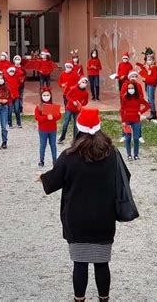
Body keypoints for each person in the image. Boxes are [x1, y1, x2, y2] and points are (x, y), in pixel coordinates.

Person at [40, 108, 117, 301]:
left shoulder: (69, 155)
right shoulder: (111, 153)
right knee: (102, 263)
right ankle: (104, 299)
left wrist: (42, 178)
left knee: (80, 263)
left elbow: (53, 181)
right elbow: (124, 179)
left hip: (77, 218)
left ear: (78, 127)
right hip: (104, 217)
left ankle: (79, 299)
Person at [121, 82, 150, 161]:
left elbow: (148, 105)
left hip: (136, 120)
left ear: (135, 89)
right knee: (128, 138)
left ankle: (136, 155)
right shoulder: (125, 97)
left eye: (132, 88)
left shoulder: (139, 97)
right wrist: (123, 121)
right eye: (129, 88)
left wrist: (141, 111)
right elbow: (122, 109)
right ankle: (129, 155)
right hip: (127, 120)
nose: (131, 90)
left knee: (136, 138)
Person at [34, 87, 61, 167]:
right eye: (44, 95)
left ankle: (54, 160)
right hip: (43, 130)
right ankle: (41, 160)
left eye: (47, 95)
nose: (46, 96)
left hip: (53, 129)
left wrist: (53, 117)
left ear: (50, 96)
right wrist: (46, 118)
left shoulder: (53, 106)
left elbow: (58, 115)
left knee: (53, 145)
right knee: (43, 145)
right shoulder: (39, 107)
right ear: (41, 96)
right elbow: (37, 117)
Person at [58, 77, 89, 144]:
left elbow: (86, 101)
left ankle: (75, 140)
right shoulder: (74, 89)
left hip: (77, 110)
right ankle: (62, 137)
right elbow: (67, 96)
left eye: (85, 83)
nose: (84, 84)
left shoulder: (86, 93)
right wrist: (73, 102)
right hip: (69, 108)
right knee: (66, 123)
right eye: (83, 82)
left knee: (76, 125)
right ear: (80, 82)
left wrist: (81, 104)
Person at [138, 49, 157, 120]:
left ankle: (153, 113)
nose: (148, 61)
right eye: (147, 60)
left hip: (152, 84)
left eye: (150, 60)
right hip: (148, 83)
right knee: (149, 98)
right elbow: (148, 76)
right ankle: (151, 113)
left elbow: (153, 78)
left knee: (151, 99)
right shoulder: (149, 68)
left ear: (153, 61)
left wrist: (147, 77)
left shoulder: (154, 68)